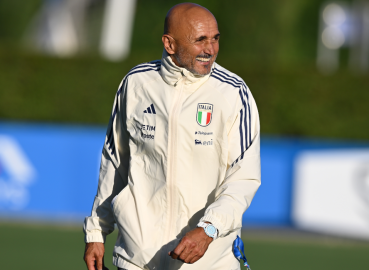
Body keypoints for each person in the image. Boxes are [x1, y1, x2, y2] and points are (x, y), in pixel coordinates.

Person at [83, 3, 261, 270]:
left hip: (206, 261)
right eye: (200, 40)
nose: (210, 49)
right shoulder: (136, 84)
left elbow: (243, 179)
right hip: (137, 259)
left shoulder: (234, 93)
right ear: (169, 44)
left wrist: (209, 229)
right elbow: (114, 163)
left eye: (215, 39)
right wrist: (97, 231)